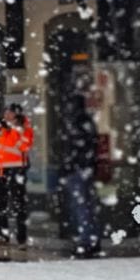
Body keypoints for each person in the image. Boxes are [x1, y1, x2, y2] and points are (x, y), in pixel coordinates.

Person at [58, 96, 102, 258]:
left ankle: (87, 241)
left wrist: (70, 166)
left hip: (78, 171)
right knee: (85, 207)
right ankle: (90, 240)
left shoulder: (77, 123)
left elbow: (76, 149)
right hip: (83, 170)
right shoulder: (84, 122)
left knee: (82, 207)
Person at [0, 104, 32, 247]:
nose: (6, 115)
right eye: (5, 112)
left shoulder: (25, 129)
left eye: (10, 113)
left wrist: (13, 130)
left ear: (17, 115)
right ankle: (3, 236)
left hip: (17, 169)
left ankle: (21, 238)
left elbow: (24, 146)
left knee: (19, 205)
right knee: (0, 205)